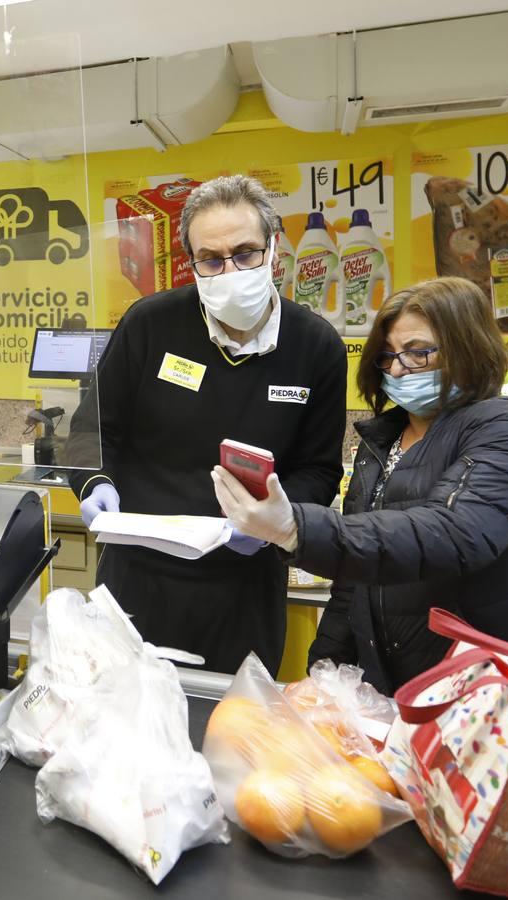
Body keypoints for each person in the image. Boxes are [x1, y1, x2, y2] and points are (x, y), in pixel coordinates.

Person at [212, 277, 508, 710]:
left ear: (470, 347)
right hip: (405, 697)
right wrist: (324, 677)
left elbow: (453, 532)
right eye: (388, 356)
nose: (396, 369)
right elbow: (352, 586)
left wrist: (298, 529)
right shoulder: (382, 443)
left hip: (503, 701)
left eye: (418, 352)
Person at [66, 175, 346, 674]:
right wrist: (94, 483)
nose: (229, 270)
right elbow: (90, 433)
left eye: (245, 253)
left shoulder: (316, 346)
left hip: (244, 585)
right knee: (122, 728)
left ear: (274, 250)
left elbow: (320, 470)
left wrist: (270, 523)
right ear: (192, 263)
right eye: (211, 260)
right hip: (137, 578)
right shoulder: (151, 324)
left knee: (229, 731)